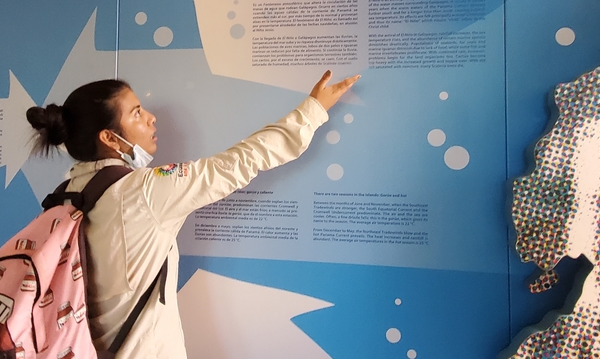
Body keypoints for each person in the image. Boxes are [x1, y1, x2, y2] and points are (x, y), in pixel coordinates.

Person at [26, 70, 360, 358]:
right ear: (110, 137)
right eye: (137, 113)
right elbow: (238, 163)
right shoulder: (143, 191)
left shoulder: (66, 194)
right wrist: (312, 111)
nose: (151, 118)